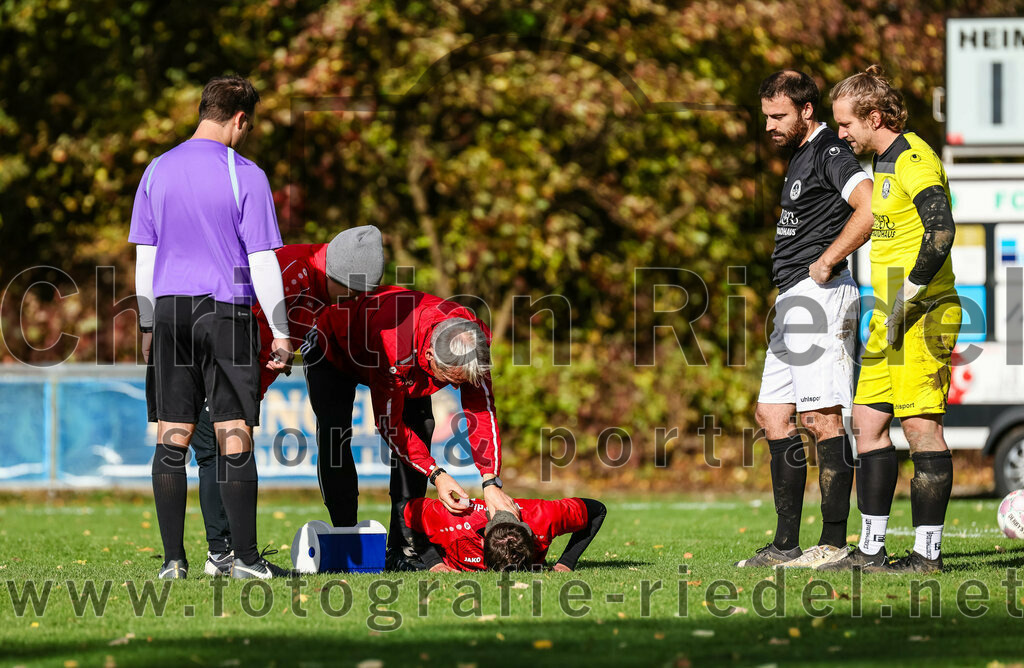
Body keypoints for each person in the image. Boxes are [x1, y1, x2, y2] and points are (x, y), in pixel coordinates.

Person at [131, 75, 293, 580]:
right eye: (249, 126)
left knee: (172, 434)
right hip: (226, 312)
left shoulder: (156, 170)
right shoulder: (245, 173)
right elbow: (262, 259)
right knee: (233, 432)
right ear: (240, 118)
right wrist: (282, 331)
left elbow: (145, 256)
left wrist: (148, 323)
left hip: (170, 311)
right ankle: (245, 560)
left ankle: (173, 562)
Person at [185, 227, 389, 576]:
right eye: (352, 291)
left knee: (228, 453)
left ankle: (225, 555)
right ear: (333, 274)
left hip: (250, 375)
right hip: (221, 365)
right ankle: (222, 554)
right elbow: (233, 321)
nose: (353, 299)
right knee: (216, 453)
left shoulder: (335, 284)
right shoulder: (291, 270)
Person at [820, 65, 959, 574]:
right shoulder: (882, 160)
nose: (841, 134)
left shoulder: (914, 159)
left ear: (874, 117)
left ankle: (927, 555)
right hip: (890, 315)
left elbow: (941, 233)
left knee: (921, 429)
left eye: (846, 124)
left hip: (922, 312)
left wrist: (909, 296)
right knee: (868, 423)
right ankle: (871, 549)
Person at [735, 71, 873, 569]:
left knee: (822, 418)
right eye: (766, 116)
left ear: (806, 111)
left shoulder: (829, 151)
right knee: (772, 415)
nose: (769, 125)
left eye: (779, 116)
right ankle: (785, 544)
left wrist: (829, 258)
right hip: (793, 298)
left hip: (821, 296)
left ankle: (833, 543)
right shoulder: (799, 155)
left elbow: (869, 206)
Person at [304, 286, 522, 568]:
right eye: (449, 379)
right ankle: (345, 535)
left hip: (396, 343)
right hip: (333, 345)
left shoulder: (472, 339)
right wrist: (436, 474)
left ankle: (403, 548)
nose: (456, 387)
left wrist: (490, 481)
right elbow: (390, 426)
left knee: (422, 426)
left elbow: (482, 409)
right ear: (429, 355)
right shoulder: (394, 347)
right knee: (336, 435)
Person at [404, 496, 607, 572]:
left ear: (531, 535)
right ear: (482, 543)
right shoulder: (451, 516)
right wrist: (434, 562)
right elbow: (407, 511)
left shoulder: (544, 515)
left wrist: (566, 563)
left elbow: (597, 510)